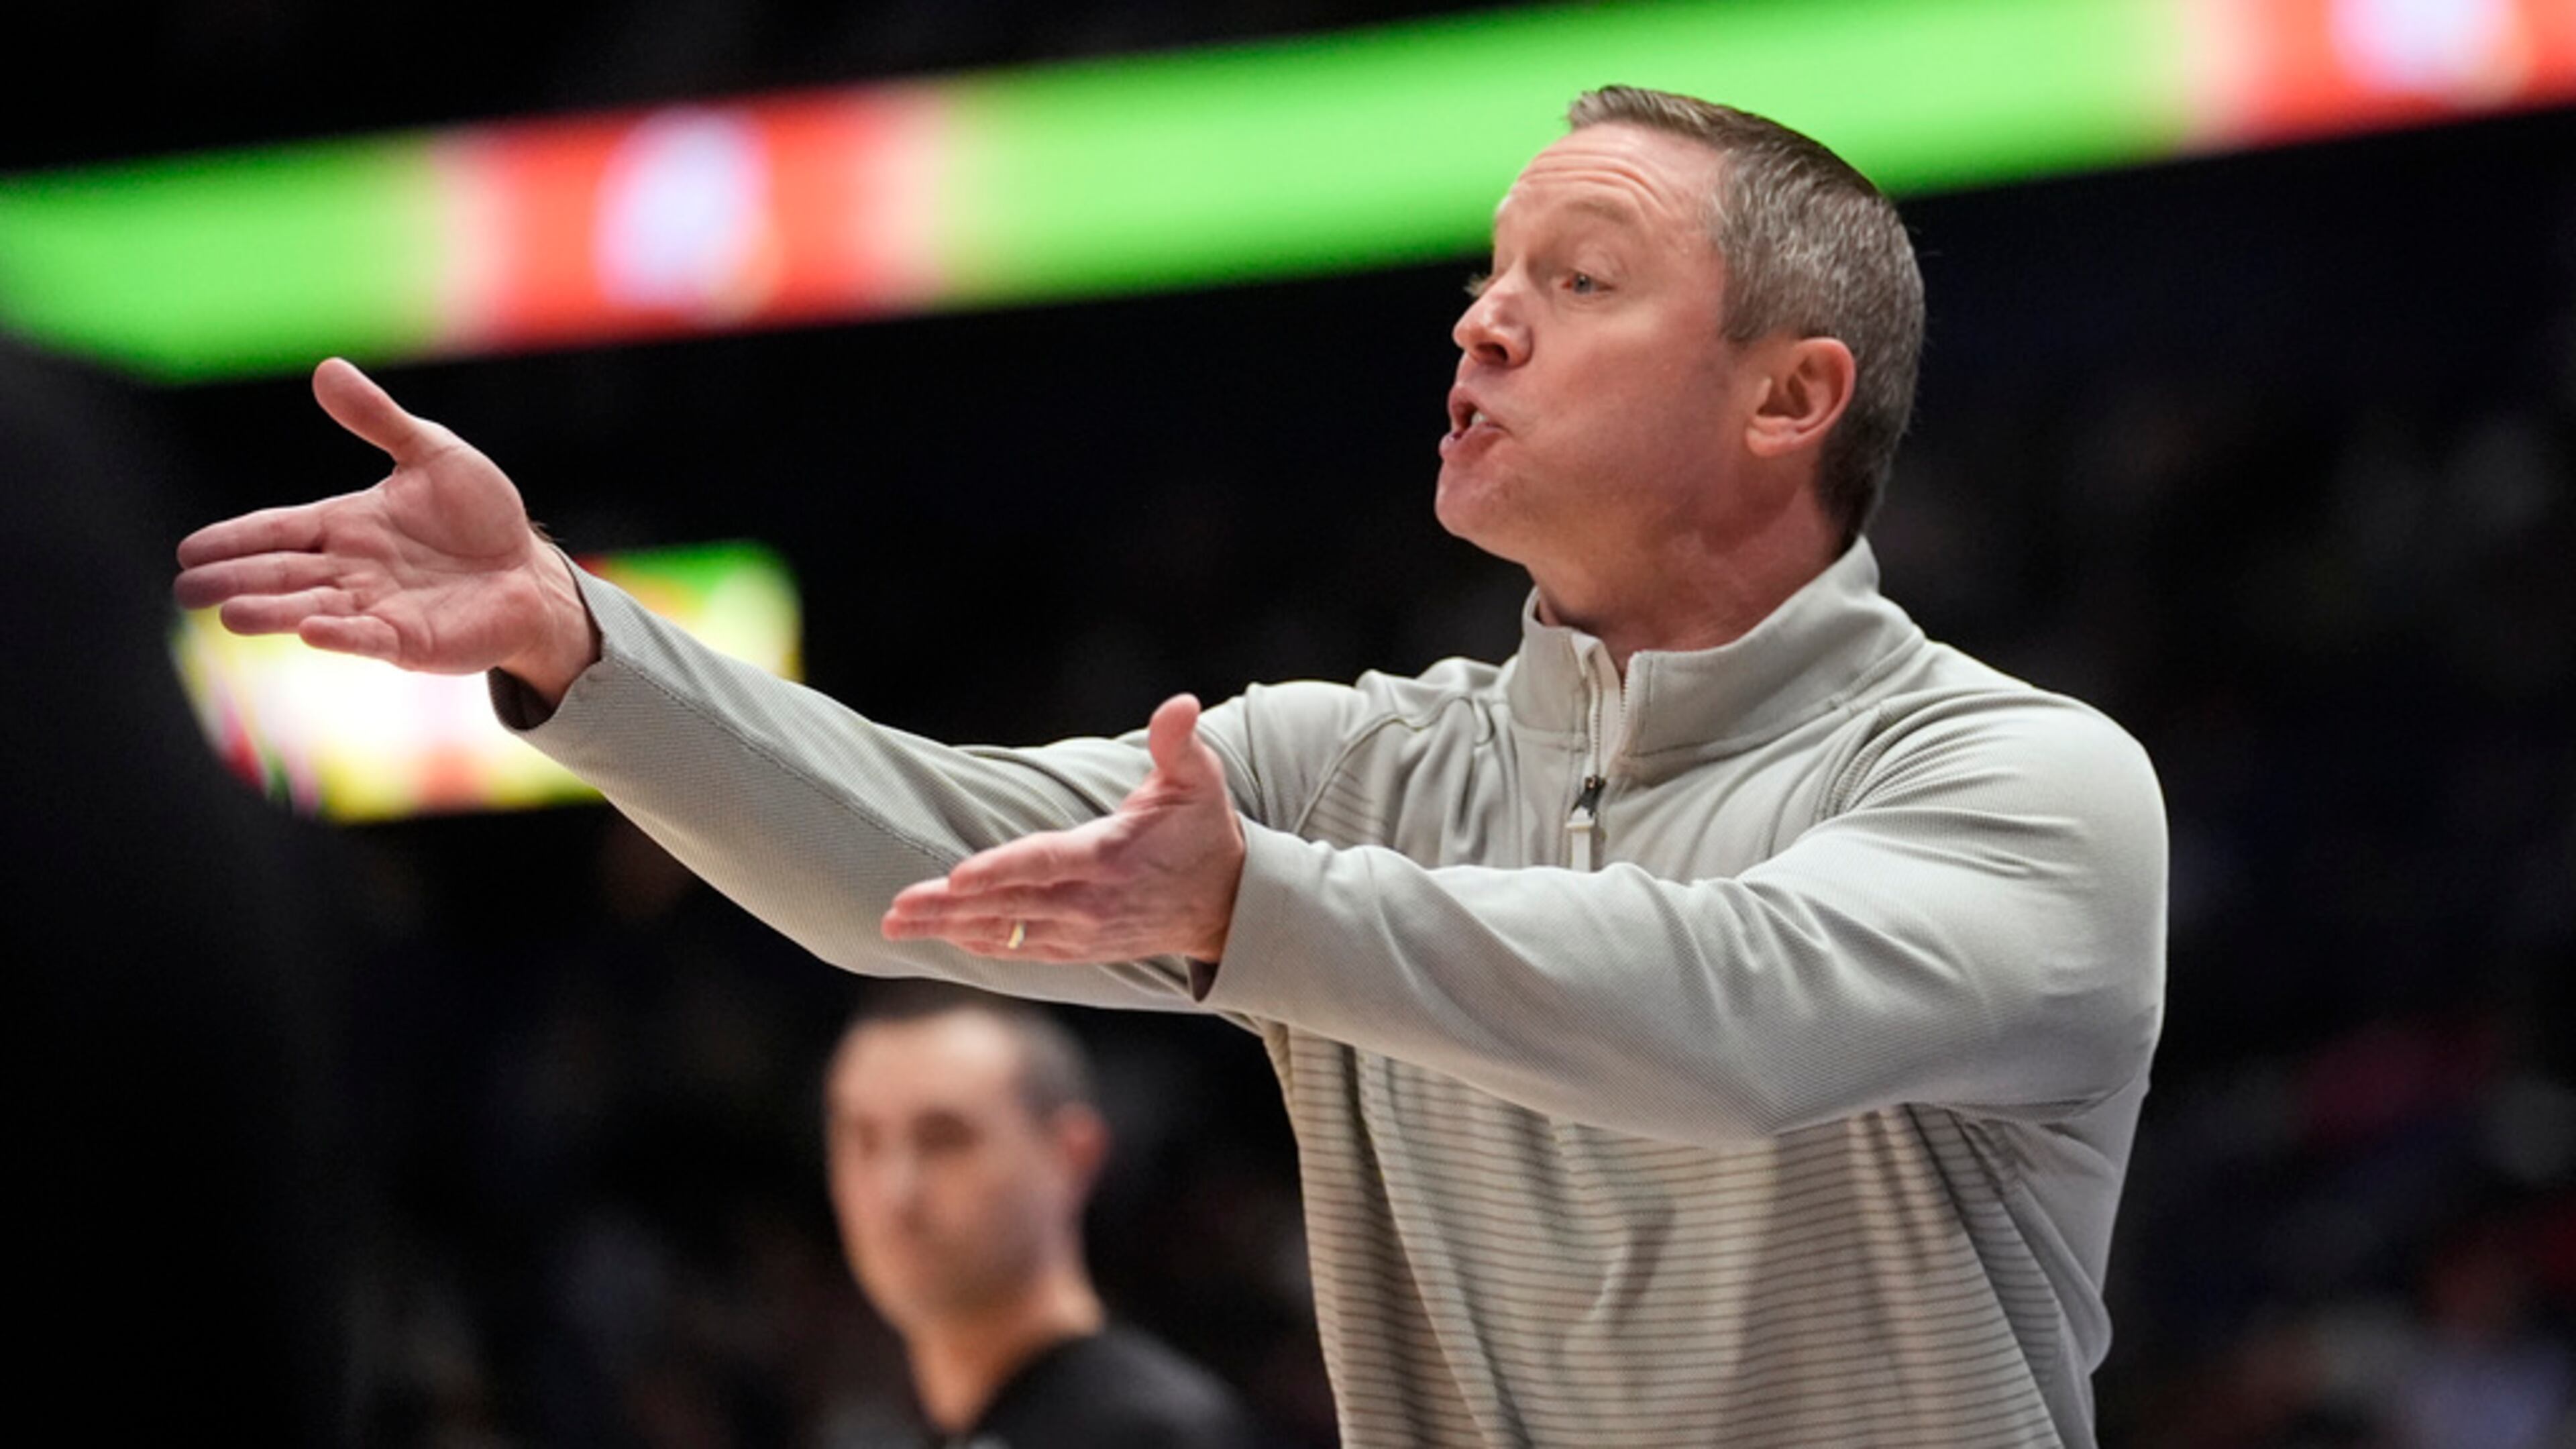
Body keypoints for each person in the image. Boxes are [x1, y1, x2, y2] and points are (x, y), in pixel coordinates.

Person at [176, 86, 2168, 1448]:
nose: (1479, 323)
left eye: (1575, 280)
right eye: (1488, 273)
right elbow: (909, 847)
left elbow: (1731, 1013)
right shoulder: (1350, 773)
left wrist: (1255, 908)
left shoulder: (2016, 786)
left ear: (1787, 398)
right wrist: (578, 645)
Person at [818, 984, 1259, 1448]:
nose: (896, 1190)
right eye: (863, 1140)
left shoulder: (1162, 1435)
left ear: (1072, 1156)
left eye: (944, 1139)